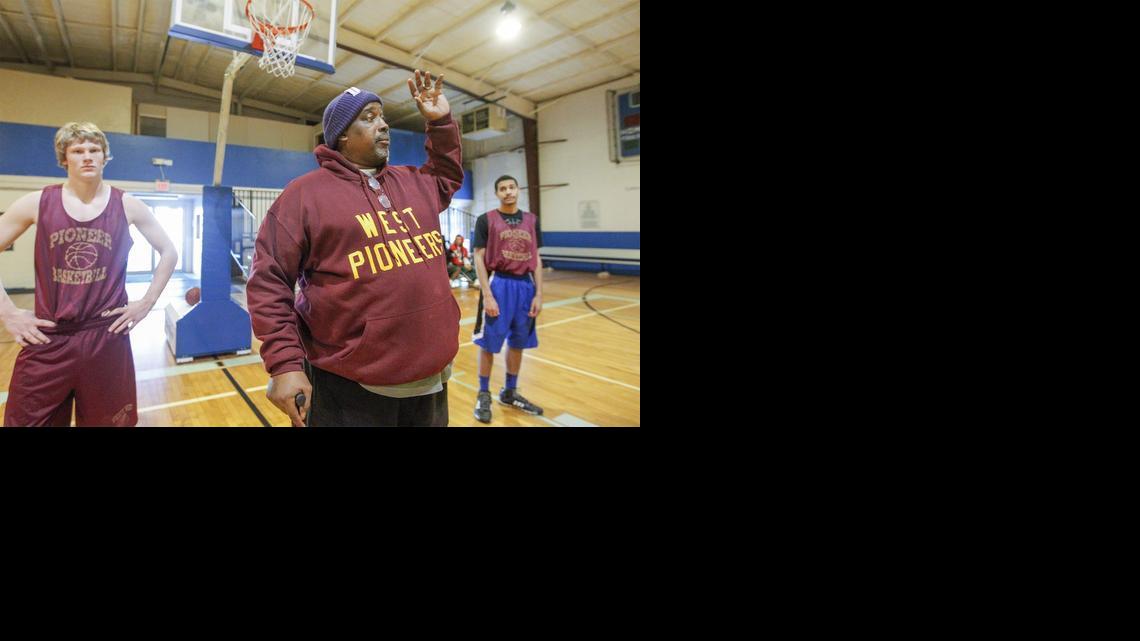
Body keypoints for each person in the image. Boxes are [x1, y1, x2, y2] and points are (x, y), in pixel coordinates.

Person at [246, 70, 464, 427]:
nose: (383, 125)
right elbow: (268, 282)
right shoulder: (303, 195)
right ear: (342, 135)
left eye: (382, 115)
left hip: (430, 376)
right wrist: (284, 363)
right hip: (349, 384)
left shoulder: (414, 182)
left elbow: (447, 174)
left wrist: (440, 123)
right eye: (369, 117)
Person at [0, 121, 178, 426]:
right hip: (49, 336)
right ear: (64, 158)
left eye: (95, 150)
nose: (87, 156)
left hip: (105, 336)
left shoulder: (127, 204)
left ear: (105, 156)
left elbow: (169, 251)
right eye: (78, 150)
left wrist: (146, 303)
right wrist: (8, 313)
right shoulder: (37, 202)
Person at [471, 175, 544, 423]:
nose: (508, 192)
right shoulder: (486, 220)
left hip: (525, 286)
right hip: (498, 283)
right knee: (489, 344)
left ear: (518, 190)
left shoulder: (532, 221)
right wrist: (488, 295)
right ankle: (483, 394)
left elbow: (536, 258)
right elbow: (478, 257)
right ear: (497, 193)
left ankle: (510, 391)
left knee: (518, 342)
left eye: (511, 187)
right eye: (502, 188)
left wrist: (539, 293)